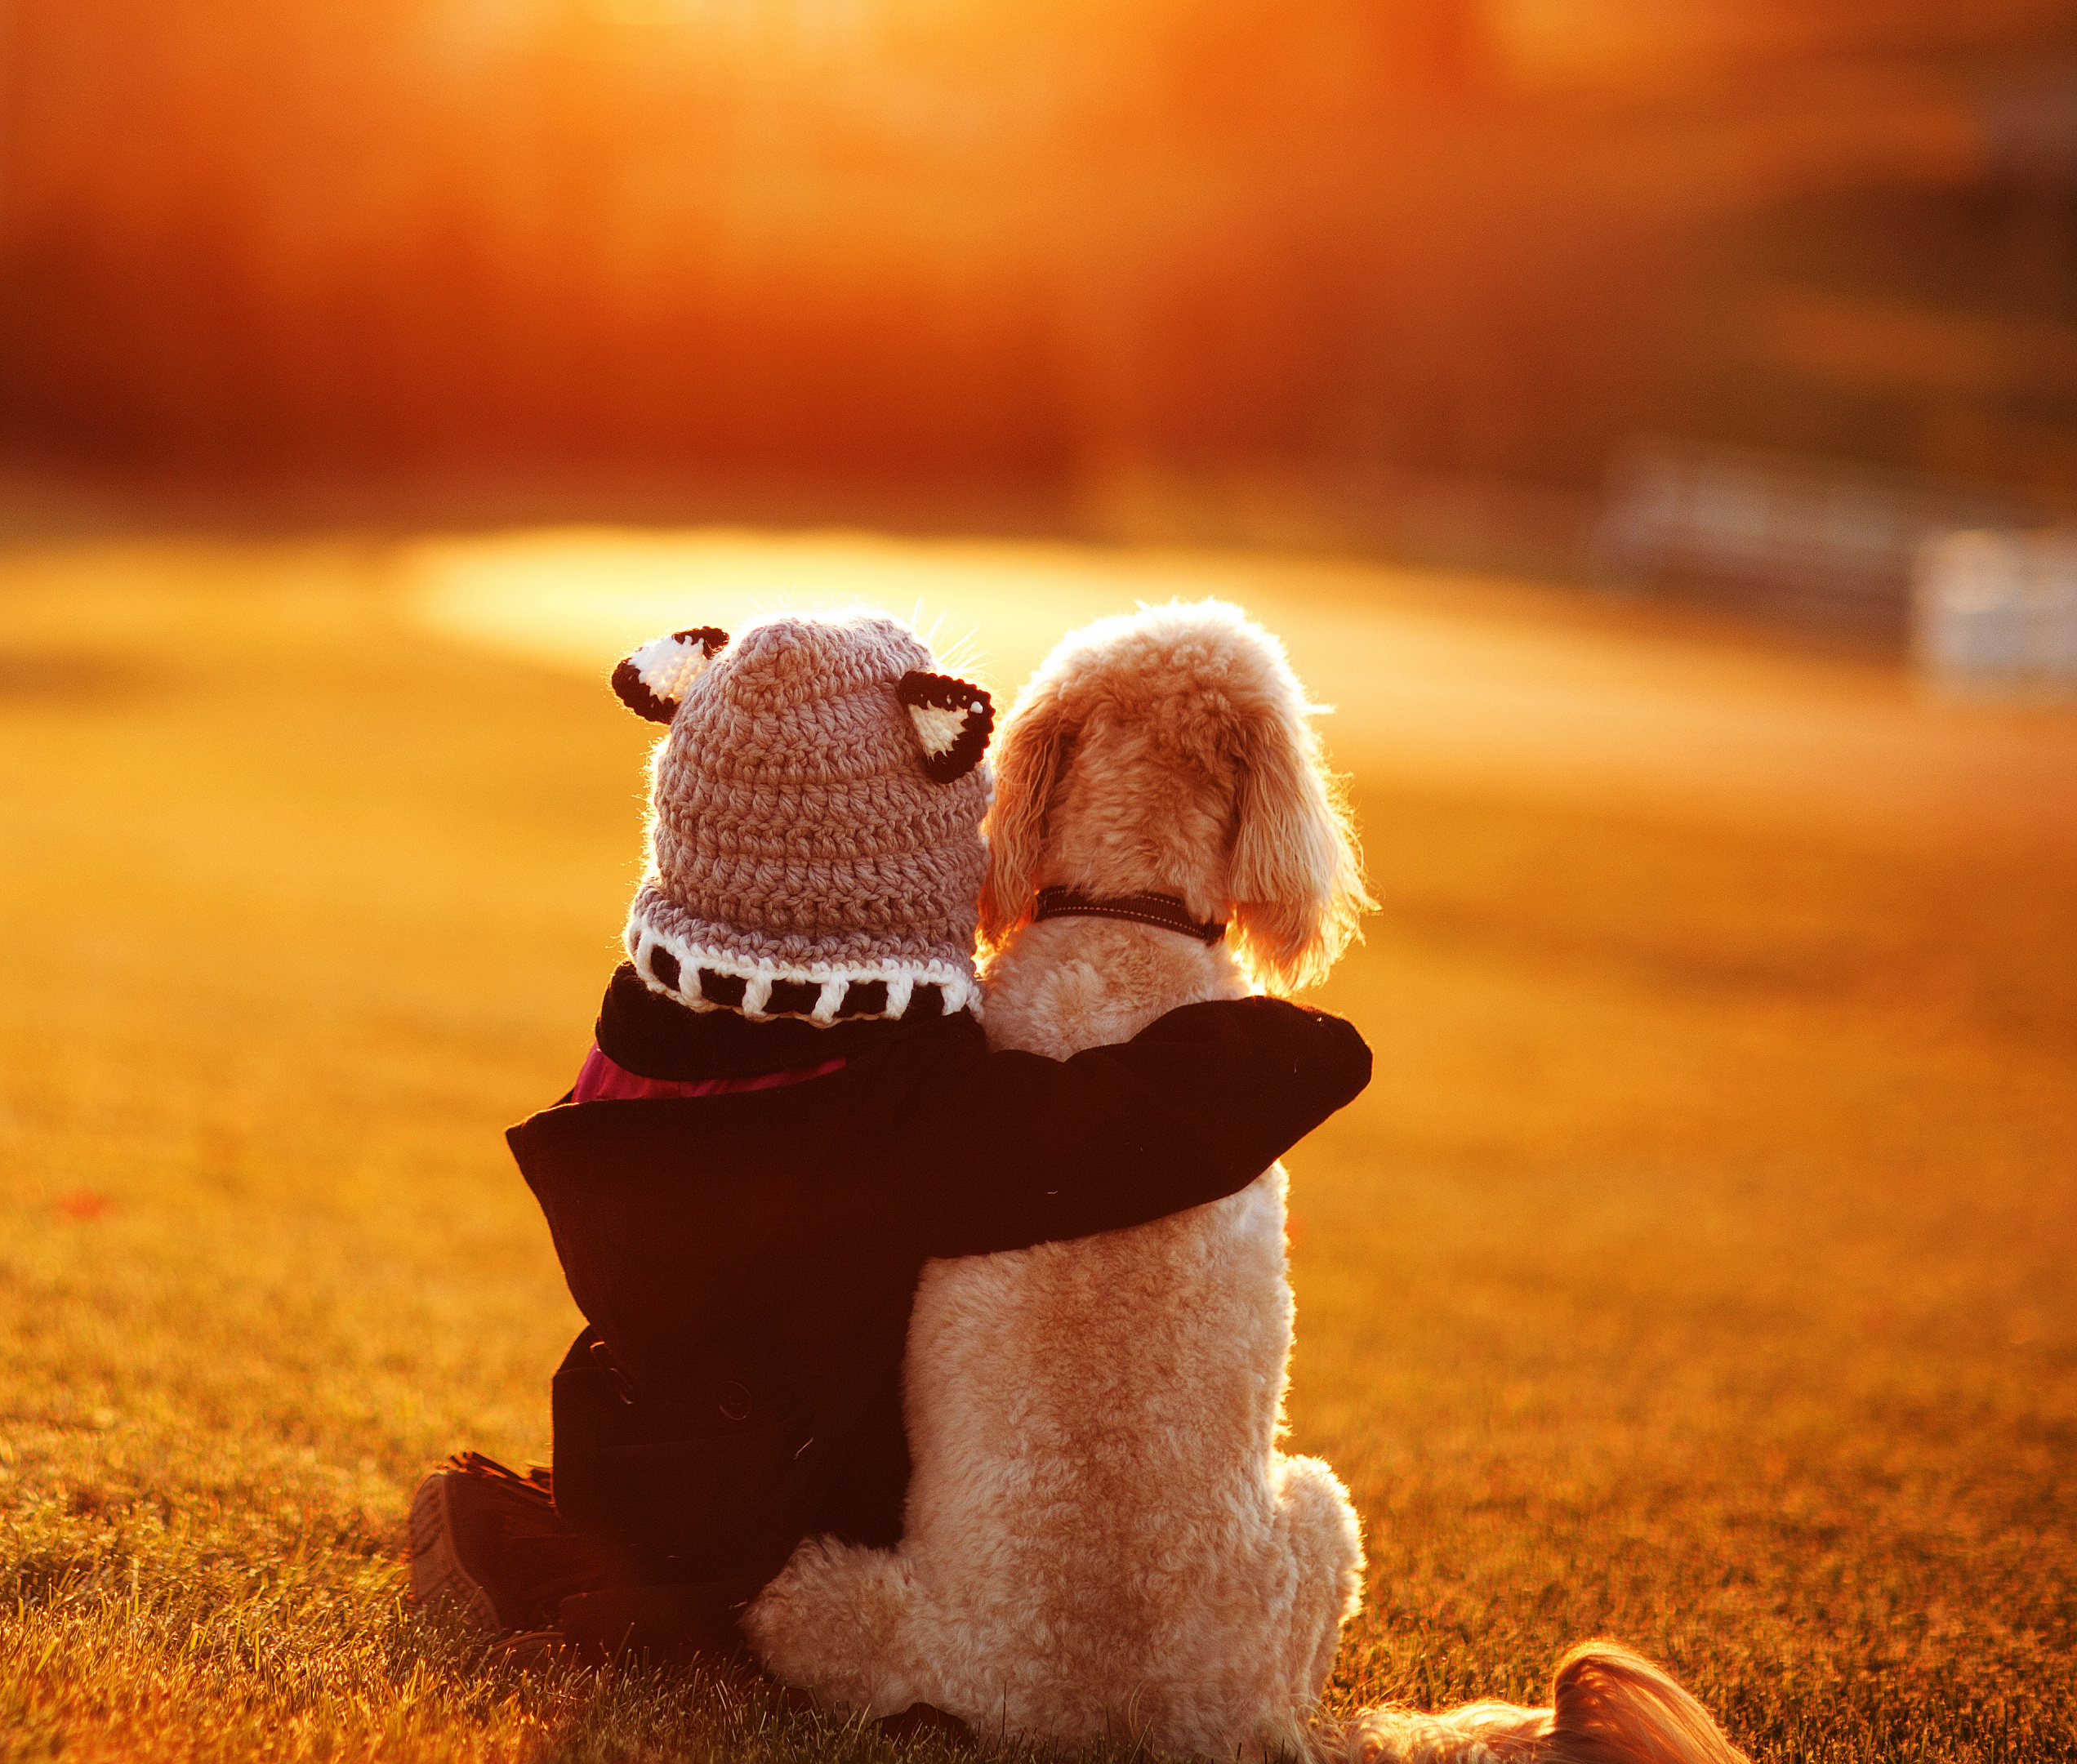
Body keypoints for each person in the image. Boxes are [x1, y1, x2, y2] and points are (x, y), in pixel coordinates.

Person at [407, 610, 1371, 1672]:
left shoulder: (637, 1044)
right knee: (796, 1593)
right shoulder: (895, 1119)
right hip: (776, 1507)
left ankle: (561, 1542)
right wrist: (1299, 1047)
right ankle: (589, 1608)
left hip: (632, 1442)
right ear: (900, 860)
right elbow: (1111, 1129)